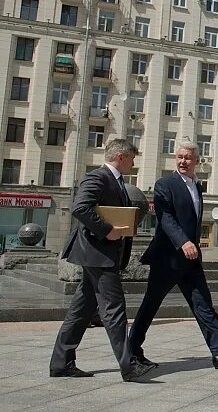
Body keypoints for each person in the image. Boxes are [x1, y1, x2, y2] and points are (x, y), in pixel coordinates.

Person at [128, 142, 218, 369]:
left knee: (203, 303)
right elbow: (165, 218)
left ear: (196, 161)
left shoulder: (197, 186)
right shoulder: (165, 184)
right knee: (151, 305)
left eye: (187, 158)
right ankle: (131, 351)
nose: (183, 161)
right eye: (180, 157)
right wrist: (183, 241)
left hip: (191, 259)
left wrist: (191, 245)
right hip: (168, 258)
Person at [50, 139, 154, 381]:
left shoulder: (116, 181)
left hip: (99, 255)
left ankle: (61, 363)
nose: (133, 163)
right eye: (132, 158)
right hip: (98, 255)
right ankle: (129, 366)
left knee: (81, 311)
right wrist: (107, 230)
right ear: (121, 157)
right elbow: (80, 208)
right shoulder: (98, 177)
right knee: (113, 309)